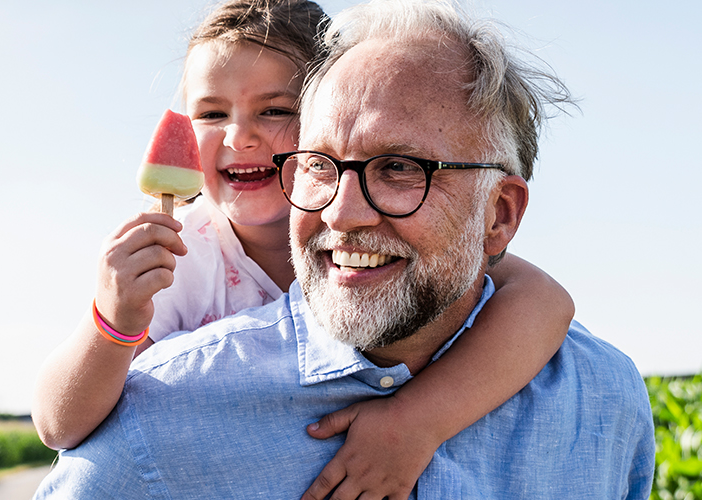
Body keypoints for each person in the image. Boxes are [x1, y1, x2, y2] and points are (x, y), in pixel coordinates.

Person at [33, 0, 655, 498]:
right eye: (325, 165)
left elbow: (540, 299)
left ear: (500, 216)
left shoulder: (604, 396)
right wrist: (111, 323)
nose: (343, 212)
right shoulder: (180, 270)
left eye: (398, 167)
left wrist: (419, 421)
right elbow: (61, 423)